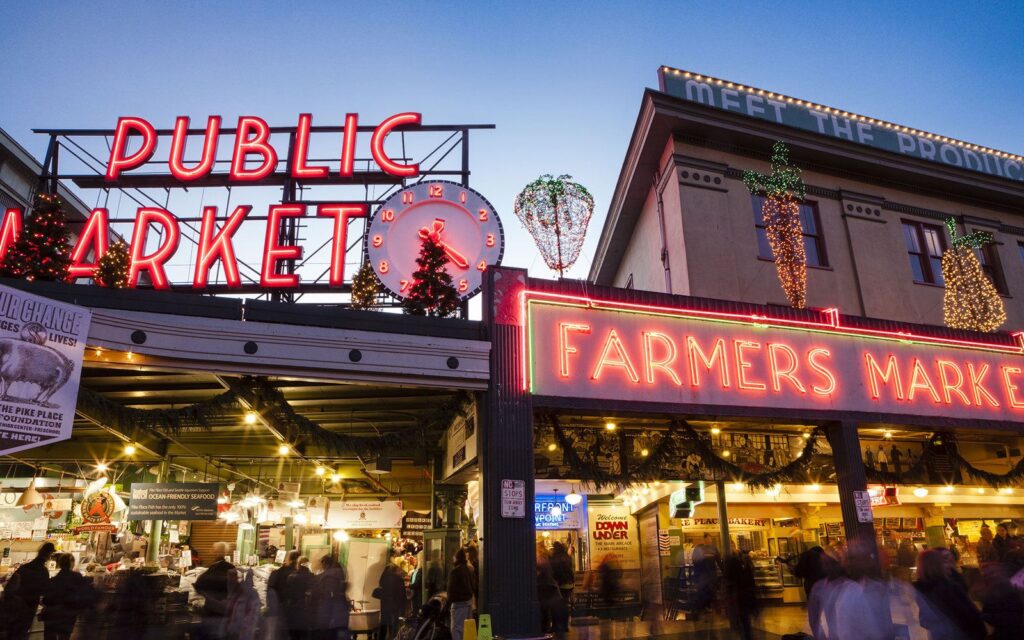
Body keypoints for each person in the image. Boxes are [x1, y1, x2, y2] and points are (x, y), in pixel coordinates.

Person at [913, 548, 985, 640]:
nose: (948, 564)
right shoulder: (948, 587)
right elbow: (969, 615)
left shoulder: (921, 589)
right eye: (944, 561)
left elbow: (924, 620)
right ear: (938, 565)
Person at [2, 541, 56, 640]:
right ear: (49, 555)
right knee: (21, 633)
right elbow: (44, 591)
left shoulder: (24, 568)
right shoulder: (43, 571)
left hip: (16, 607)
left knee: (13, 632)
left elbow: (10, 587)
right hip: (28, 607)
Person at [39, 553, 96, 640]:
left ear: (60, 564)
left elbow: (46, 600)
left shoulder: (53, 580)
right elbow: (85, 593)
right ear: (72, 563)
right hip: (68, 616)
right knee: (64, 637)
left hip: (52, 616)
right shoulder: (77, 577)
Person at [195, 542, 237, 640]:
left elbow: (200, 583)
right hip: (226, 608)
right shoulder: (231, 567)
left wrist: (205, 594)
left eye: (213, 549)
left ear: (216, 552)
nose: (211, 550)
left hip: (214, 609)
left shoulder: (215, 567)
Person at [309, 556, 350, 640]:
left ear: (325, 564)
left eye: (321, 564)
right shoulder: (339, 575)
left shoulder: (328, 577)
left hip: (329, 615)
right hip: (338, 613)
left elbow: (328, 596)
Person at [722, 547, 759, 640]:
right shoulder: (744, 567)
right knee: (745, 617)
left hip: (739, 596)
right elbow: (750, 582)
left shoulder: (732, 564)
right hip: (745, 595)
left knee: (743, 617)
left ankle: (743, 632)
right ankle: (746, 634)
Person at [267, 551, 301, 637]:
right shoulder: (302, 573)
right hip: (297, 609)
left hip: (281, 606)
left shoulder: (278, 573)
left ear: (288, 559)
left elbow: (270, 590)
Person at [448, 548, 477, 640]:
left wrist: (449, 602)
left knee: (455, 628)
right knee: (467, 628)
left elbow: (451, 589)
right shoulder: (468, 569)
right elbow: (473, 585)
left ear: (456, 558)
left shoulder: (455, 571)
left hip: (458, 603)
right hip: (468, 602)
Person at [284, 556, 314, 640]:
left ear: (298, 564)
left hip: (293, 608)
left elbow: (288, 593)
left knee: (293, 634)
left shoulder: (291, 576)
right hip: (306, 609)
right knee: (304, 635)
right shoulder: (312, 577)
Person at [226, 570, 261, 640]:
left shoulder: (250, 593)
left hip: (245, 627)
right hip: (241, 626)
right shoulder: (237, 591)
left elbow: (253, 611)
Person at [377, 563, 407, 640]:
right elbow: (402, 594)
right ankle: (393, 637)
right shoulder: (399, 579)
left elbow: (380, 586)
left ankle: (382, 638)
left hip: (384, 604)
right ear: (395, 570)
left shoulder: (383, 579)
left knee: (384, 622)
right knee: (394, 624)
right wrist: (403, 606)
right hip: (394, 605)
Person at [549, 542, 575, 610]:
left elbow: (555, 571)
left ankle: (562, 615)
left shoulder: (554, 557)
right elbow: (570, 569)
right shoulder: (567, 556)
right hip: (569, 583)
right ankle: (566, 613)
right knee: (565, 601)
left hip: (560, 583)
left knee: (560, 602)